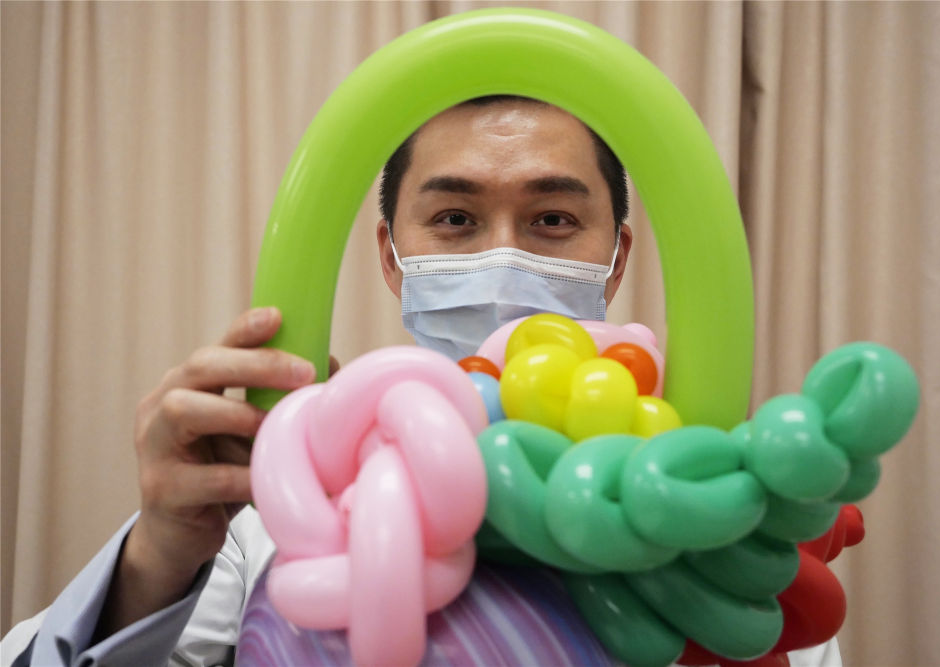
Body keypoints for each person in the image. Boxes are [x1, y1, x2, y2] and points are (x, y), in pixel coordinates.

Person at [1, 96, 840, 667]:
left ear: (615, 258)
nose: (501, 255)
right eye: (454, 219)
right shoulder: (277, 512)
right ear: (392, 256)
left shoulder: (715, 520)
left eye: (552, 219)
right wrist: (158, 552)